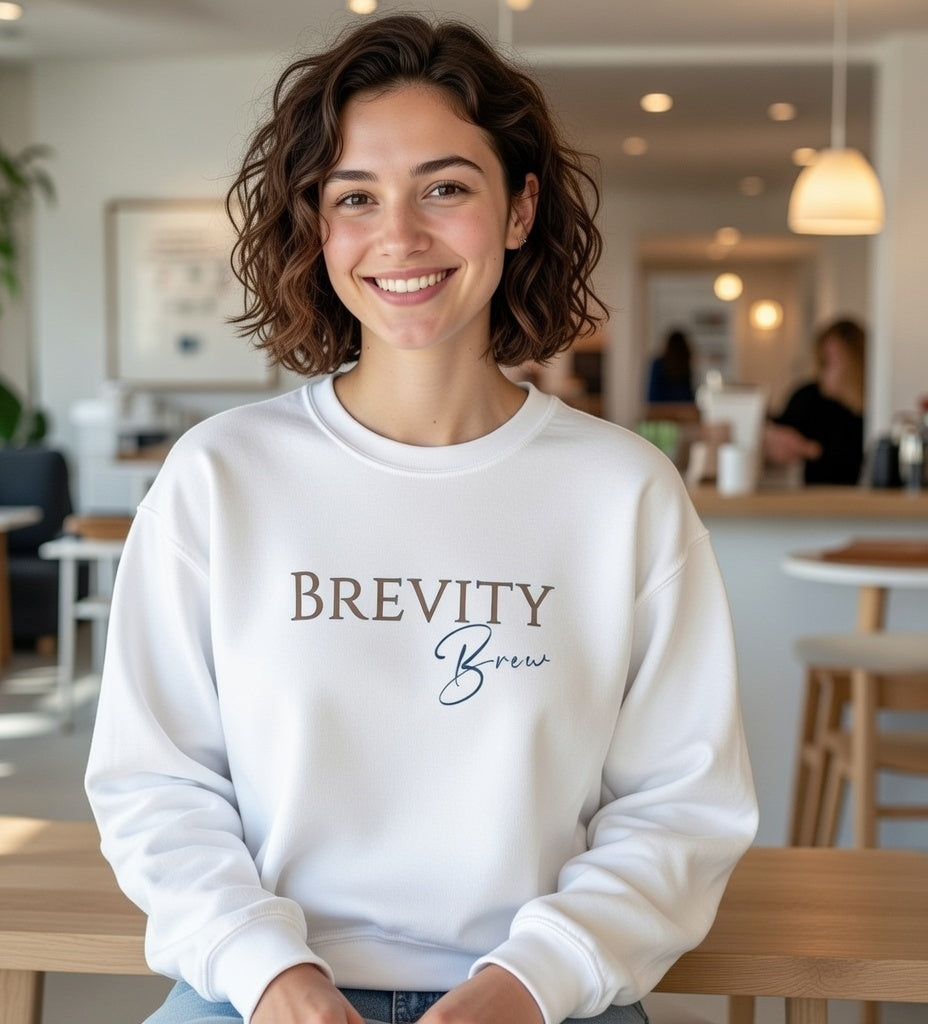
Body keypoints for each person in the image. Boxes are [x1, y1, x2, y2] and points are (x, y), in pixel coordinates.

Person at [85, 14, 758, 1024]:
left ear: (519, 208)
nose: (399, 236)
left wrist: (529, 982)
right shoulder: (221, 475)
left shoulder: (622, 493)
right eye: (356, 197)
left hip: (542, 994)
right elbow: (154, 782)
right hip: (259, 990)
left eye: (445, 187)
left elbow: (681, 804)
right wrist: (273, 975)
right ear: (318, 226)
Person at [764, 318, 866, 484]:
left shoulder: (877, 407)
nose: (821, 370)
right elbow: (778, 433)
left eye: (829, 361)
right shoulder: (807, 397)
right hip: (815, 499)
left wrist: (813, 450)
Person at [646, 328, 695, 404]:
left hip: (663, 410)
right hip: (670, 409)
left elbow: (652, 394)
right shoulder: (659, 365)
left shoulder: (658, 364)